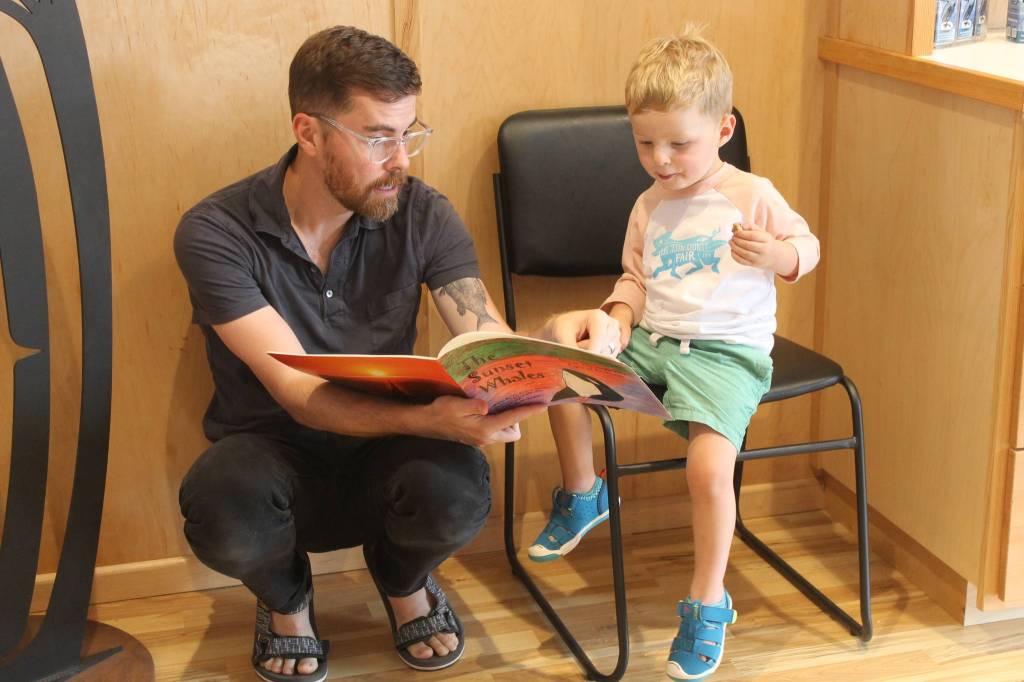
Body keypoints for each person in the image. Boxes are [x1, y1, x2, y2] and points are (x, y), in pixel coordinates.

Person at [173, 26, 619, 682]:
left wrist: (552, 339)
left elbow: (485, 342)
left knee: (460, 491)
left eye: (411, 132)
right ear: (309, 131)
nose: (402, 159)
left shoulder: (423, 215)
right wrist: (430, 420)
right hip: (271, 456)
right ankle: (286, 598)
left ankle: (402, 577)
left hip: (388, 458)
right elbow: (299, 393)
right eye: (379, 135)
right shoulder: (217, 232)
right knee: (219, 509)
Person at [528, 30, 820, 680]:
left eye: (678, 144)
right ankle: (583, 492)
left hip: (727, 357)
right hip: (655, 343)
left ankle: (709, 601)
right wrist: (615, 319)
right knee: (558, 356)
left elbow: (809, 246)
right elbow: (634, 280)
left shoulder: (750, 194)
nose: (660, 160)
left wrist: (778, 256)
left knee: (709, 472)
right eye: (645, 142)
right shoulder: (648, 204)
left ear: (723, 129)